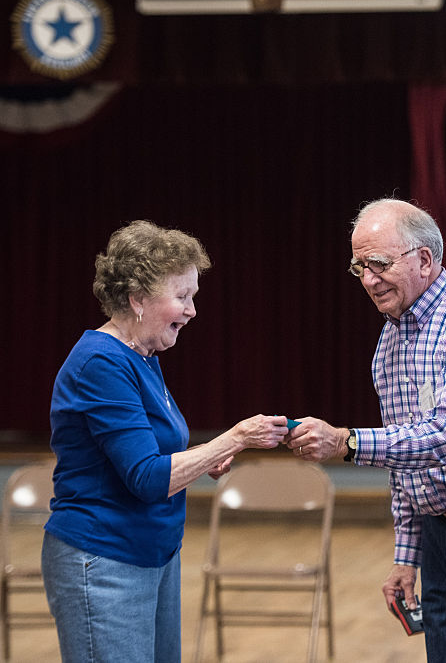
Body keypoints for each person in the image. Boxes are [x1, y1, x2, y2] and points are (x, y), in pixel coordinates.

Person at [286, 198, 446, 663]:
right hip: (439, 537)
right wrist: (407, 554)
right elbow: (404, 462)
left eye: (379, 264)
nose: (367, 280)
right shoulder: (390, 339)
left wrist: (345, 442)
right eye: (359, 267)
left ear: (424, 259)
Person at [42, 220, 289, 662]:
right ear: (138, 299)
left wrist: (201, 457)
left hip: (153, 555)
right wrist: (234, 438)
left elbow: (147, 455)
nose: (193, 310)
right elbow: (147, 479)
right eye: (182, 297)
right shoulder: (101, 362)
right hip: (103, 561)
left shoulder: (143, 356)